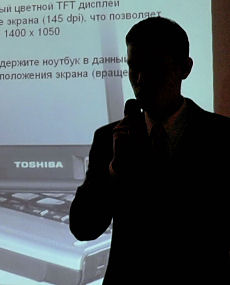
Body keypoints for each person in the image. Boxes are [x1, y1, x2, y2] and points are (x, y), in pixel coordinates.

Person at [69, 17, 230, 284]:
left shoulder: (223, 137)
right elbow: (84, 228)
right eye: (134, 67)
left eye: (154, 67)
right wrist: (115, 172)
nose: (141, 79)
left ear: (185, 68)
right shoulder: (109, 138)